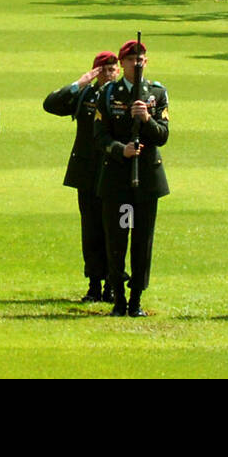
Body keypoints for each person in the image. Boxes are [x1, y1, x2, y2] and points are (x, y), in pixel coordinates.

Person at [94, 39, 169, 317]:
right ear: (122, 62)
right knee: (116, 239)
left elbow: (163, 135)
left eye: (141, 59)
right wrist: (119, 150)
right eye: (131, 59)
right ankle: (118, 298)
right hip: (117, 179)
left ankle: (136, 297)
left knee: (142, 240)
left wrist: (147, 119)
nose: (136, 63)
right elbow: (100, 135)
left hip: (146, 180)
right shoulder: (109, 92)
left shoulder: (157, 93)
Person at [43, 51, 120, 302]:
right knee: (91, 229)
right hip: (88, 171)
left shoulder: (123, 95)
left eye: (113, 69)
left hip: (115, 169)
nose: (109, 74)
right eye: (104, 69)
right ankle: (94, 283)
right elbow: (51, 104)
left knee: (115, 229)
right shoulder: (86, 94)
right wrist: (80, 83)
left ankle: (113, 282)